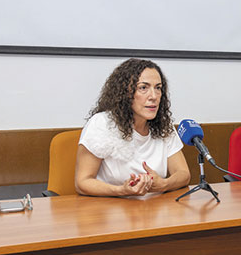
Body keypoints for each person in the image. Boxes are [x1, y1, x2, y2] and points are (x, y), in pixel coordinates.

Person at [75, 59, 191, 197]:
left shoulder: (163, 125)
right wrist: (121, 190)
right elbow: (82, 182)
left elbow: (183, 174)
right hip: (111, 207)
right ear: (125, 93)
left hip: (155, 207)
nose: (154, 96)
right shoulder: (102, 124)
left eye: (158, 88)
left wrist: (163, 184)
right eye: (143, 88)